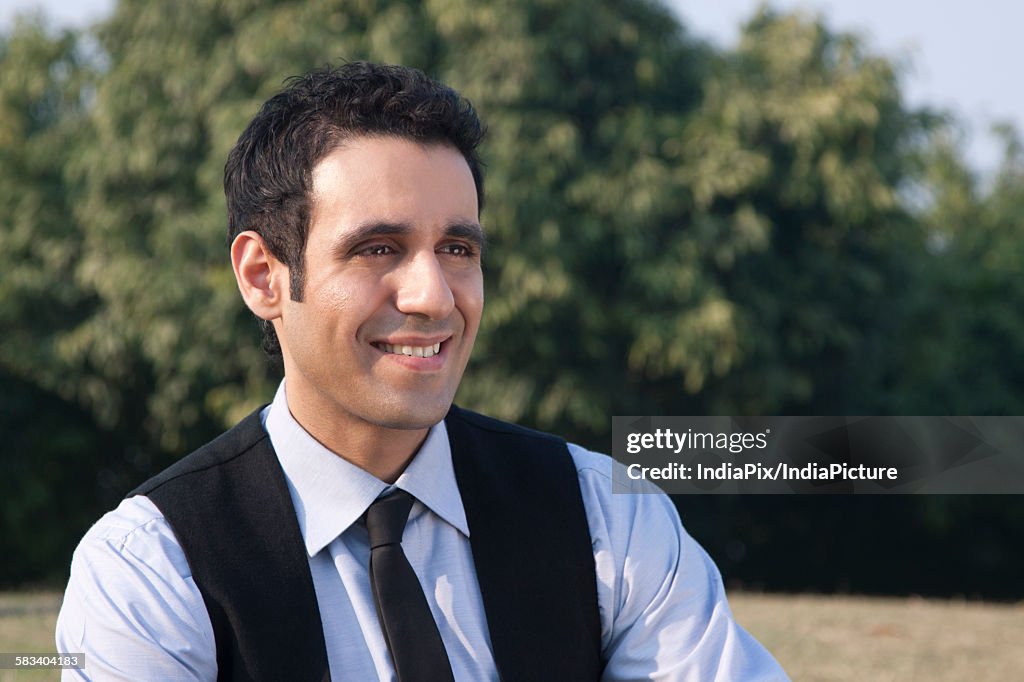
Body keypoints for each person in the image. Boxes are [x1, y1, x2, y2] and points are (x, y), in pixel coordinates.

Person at [56, 61, 788, 681]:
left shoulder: (608, 521)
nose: (434, 296)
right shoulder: (152, 570)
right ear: (263, 276)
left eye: (458, 250)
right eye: (378, 247)